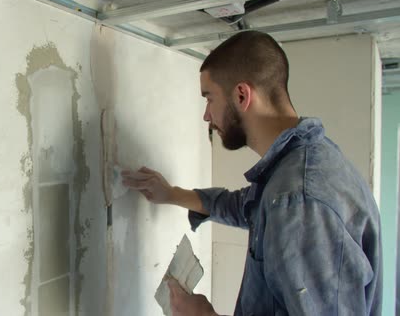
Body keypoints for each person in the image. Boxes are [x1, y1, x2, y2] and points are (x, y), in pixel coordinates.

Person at [122, 30, 382, 316]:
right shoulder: (296, 165)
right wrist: (171, 194)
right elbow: (247, 207)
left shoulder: (299, 198)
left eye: (209, 98)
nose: (206, 115)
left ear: (242, 95)